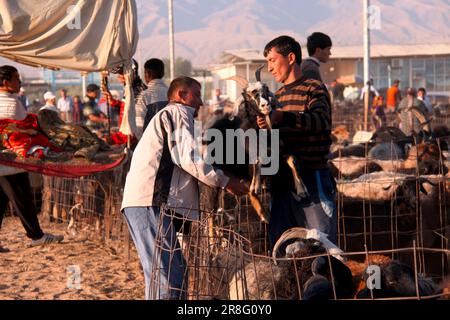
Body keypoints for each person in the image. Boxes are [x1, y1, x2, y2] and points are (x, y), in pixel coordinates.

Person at [121, 76, 248, 299]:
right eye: (197, 95)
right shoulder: (177, 113)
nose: (200, 102)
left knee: (171, 272)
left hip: (145, 202)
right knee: (168, 278)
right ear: (181, 95)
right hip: (150, 201)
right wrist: (225, 181)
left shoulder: (170, 116)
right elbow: (187, 157)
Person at [257, 36, 337, 248]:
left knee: (321, 244)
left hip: (311, 177)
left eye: (273, 60)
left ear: (291, 57)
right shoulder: (277, 97)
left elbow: (320, 121)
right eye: (267, 63)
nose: (270, 68)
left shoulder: (314, 88)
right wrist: (266, 127)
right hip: (283, 183)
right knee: (282, 247)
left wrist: (282, 117)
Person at [0, 65, 63, 252]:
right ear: (6, 82)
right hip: (12, 159)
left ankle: (36, 234)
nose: (19, 82)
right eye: (16, 78)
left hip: (3, 157)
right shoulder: (13, 103)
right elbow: (25, 127)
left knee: (2, 199)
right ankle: (36, 236)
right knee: (23, 198)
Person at [135, 58, 168, 138]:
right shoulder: (171, 93)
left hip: (151, 143)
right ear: (163, 73)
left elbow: (139, 126)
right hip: (170, 144)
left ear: (147, 74)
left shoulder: (145, 96)